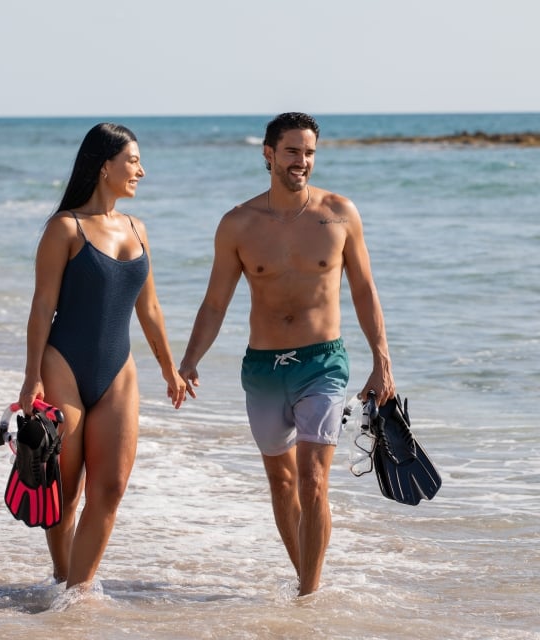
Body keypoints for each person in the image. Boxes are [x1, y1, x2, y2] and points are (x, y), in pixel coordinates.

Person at [179, 112, 395, 596]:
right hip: (263, 368)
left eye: (310, 152)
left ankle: (307, 597)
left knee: (313, 480)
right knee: (281, 482)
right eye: (293, 151)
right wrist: (190, 360)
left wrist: (382, 360)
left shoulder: (339, 214)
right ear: (269, 154)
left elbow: (364, 290)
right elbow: (216, 303)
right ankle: (305, 579)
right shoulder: (238, 223)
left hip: (324, 363)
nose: (303, 161)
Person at [19, 122, 188, 589]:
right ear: (103, 166)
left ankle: (78, 591)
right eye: (133, 161)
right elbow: (41, 308)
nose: (141, 170)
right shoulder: (64, 228)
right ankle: (62, 577)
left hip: (119, 370)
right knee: (66, 489)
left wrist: (169, 369)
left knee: (109, 488)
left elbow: (149, 308)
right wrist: (31, 377)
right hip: (62, 366)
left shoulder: (137, 229)